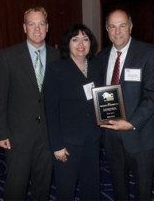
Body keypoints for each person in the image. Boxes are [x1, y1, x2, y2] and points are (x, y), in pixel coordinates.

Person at [0, 7, 60, 200]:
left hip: (47, 135)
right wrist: (1, 132)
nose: (36, 29)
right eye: (31, 24)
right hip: (17, 136)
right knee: (16, 185)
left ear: (47, 27)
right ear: (24, 27)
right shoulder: (8, 57)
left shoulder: (58, 57)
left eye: (41, 24)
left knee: (43, 184)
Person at [98, 9, 154, 200]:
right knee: (118, 186)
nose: (117, 31)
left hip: (140, 134)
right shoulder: (100, 58)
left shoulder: (149, 53)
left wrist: (132, 122)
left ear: (131, 27)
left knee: (143, 189)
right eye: (112, 26)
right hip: (111, 135)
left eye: (122, 25)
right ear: (107, 30)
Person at [44, 24, 102, 200]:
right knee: (66, 189)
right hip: (67, 143)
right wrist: (57, 146)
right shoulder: (56, 69)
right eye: (75, 39)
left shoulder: (96, 66)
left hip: (92, 138)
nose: (81, 44)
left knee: (91, 186)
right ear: (67, 43)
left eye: (85, 39)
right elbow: (50, 110)